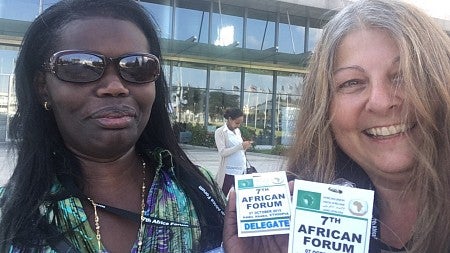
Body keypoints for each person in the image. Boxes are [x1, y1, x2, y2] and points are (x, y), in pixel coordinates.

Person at [222, 0, 450, 252]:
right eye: (352, 82)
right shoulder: (295, 219)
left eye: (406, 74)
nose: (381, 102)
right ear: (323, 108)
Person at [0, 0, 226, 252]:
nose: (115, 87)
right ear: (43, 87)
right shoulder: (8, 215)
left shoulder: (199, 189)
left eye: (137, 66)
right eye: (80, 66)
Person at [214, 108, 253, 195]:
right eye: (237, 123)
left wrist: (245, 147)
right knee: (223, 197)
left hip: (242, 170)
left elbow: (239, 151)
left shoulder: (237, 131)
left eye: (240, 123)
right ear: (230, 119)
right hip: (228, 171)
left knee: (241, 197)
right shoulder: (220, 132)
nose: (238, 125)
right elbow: (222, 152)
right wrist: (240, 146)